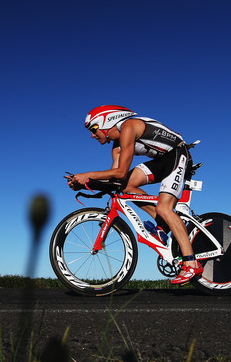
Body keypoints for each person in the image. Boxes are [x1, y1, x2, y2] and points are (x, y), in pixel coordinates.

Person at [66, 105, 202, 285]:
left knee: (164, 208)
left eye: (93, 129)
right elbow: (116, 180)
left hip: (178, 154)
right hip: (161, 160)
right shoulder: (116, 147)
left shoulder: (128, 127)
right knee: (126, 187)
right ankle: (163, 224)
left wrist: (87, 175)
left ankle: (191, 263)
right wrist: (85, 184)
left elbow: (121, 172)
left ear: (106, 121)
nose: (92, 135)